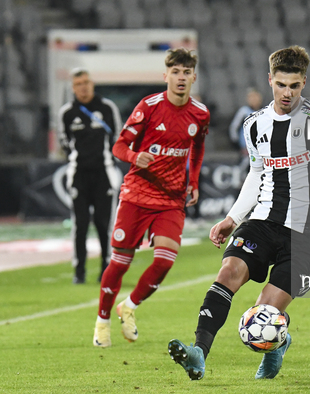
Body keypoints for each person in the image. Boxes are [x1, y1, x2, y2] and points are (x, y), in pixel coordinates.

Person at [168, 45, 310, 380]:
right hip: (262, 220)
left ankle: (280, 341)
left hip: (308, 233)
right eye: (281, 84)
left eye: (295, 85)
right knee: (228, 272)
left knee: (263, 316)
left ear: (304, 83)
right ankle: (198, 352)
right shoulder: (254, 125)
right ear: (270, 81)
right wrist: (233, 217)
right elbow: (257, 173)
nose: (287, 92)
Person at [93, 48, 210, 347]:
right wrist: (135, 156)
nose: (181, 78)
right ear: (166, 75)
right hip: (137, 193)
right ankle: (102, 322)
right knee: (119, 263)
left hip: (171, 198)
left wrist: (193, 180)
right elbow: (119, 146)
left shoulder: (200, 113)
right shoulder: (149, 106)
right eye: (175, 72)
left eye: (186, 72)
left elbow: (197, 148)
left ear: (194, 77)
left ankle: (128, 306)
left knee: (165, 260)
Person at [57, 68, 122, 284]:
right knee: (80, 224)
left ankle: (106, 269)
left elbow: (118, 136)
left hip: (104, 172)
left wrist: (110, 159)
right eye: (79, 84)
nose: (83, 87)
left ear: (92, 84)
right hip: (79, 174)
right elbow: (64, 142)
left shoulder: (106, 107)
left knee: (105, 223)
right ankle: (79, 271)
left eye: (86, 82)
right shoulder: (66, 113)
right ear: (73, 88)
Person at [228, 88, 263, 156]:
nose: (253, 99)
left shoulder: (265, 112)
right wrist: (237, 145)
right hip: (246, 149)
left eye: (255, 97)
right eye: (251, 97)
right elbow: (234, 128)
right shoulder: (244, 112)